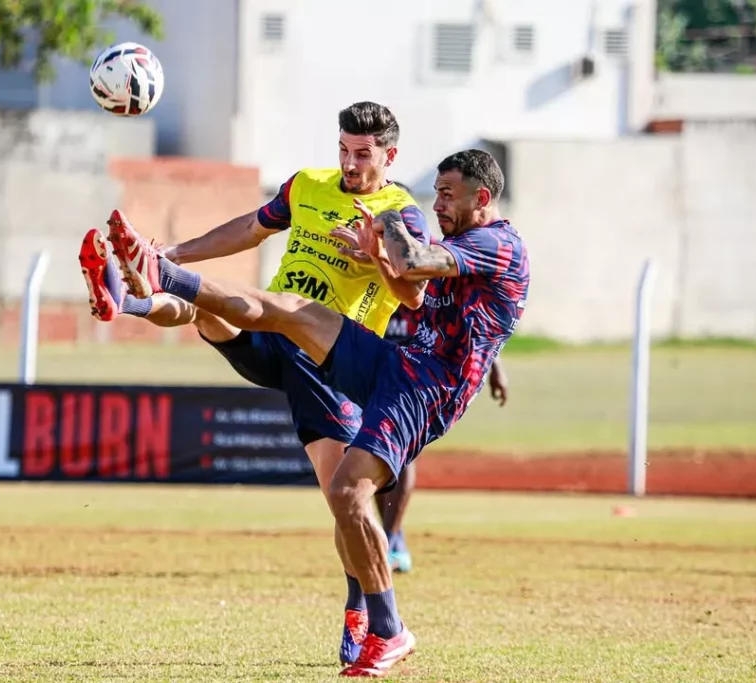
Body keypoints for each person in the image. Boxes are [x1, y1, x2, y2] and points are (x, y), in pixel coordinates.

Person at [103, 149, 529, 678]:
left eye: (447, 193)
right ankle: (161, 276)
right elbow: (413, 297)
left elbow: (417, 263)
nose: (437, 202)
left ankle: (388, 630)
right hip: (397, 363)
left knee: (347, 491)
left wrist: (390, 229)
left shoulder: (499, 244)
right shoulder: (457, 241)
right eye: (436, 191)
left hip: (429, 390)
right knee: (290, 310)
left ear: (480, 198)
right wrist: (378, 257)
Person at [78, 101, 431, 668]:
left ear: (390, 155)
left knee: (345, 502)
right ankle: (134, 293)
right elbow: (249, 228)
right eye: (342, 149)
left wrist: (378, 254)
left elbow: (415, 293)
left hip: (329, 367)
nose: (349, 163)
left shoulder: (401, 215)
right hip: (270, 334)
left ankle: (359, 607)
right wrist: (174, 250)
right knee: (207, 308)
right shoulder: (309, 186)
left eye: (363, 154)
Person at [377, 302, 510, 574]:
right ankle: (391, 537)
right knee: (377, 456)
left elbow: (471, 317)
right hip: (374, 367)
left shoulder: (432, 282)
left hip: (415, 375)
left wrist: (495, 367)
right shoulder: (378, 275)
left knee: (401, 454)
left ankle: (389, 544)